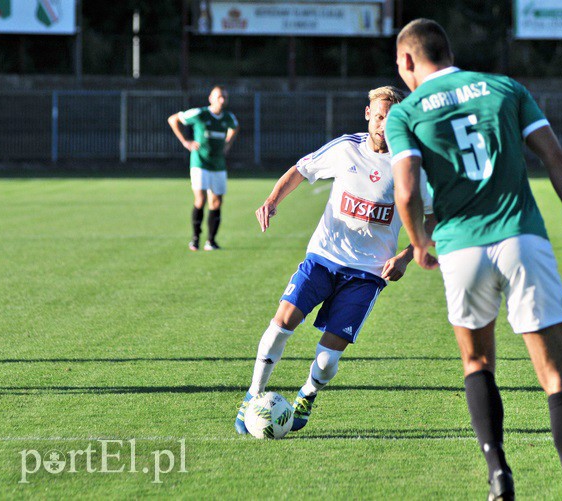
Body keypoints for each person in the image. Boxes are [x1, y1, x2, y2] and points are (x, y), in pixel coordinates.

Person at [386, 19, 562, 501]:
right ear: (448, 50)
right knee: (555, 374)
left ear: (407, 60)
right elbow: (556, 158)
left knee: (477, 361)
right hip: (521, 238)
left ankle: (499, 475)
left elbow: (405, 190)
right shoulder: (505, 88)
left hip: (461, 247)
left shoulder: (404, 113)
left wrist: (419, 241)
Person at [234, 86, 435, 434]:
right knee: (281, 323)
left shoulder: (412, 165)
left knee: (327, 362)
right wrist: (272, 199)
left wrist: (406, 256)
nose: (384, 124)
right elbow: (301, 169)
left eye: (393, 118)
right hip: (323, 257)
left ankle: (307, 394)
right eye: (380, 115)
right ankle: (253, 395)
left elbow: (435, 215)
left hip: (367, 274)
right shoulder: (346, 148)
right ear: (368, 114)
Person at [168, 85, 239, 251]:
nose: (222, 100)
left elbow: (235, 127)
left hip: (218, 165)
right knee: (201, 199)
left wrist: (228, 144)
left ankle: (211, 241)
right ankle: (195, 238)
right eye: (219, 97)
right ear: (211, 98)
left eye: (225, 97)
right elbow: (173, 119)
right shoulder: (200, 114)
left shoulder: (228, 117)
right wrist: (185, 141)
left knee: (217, 201)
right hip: (200, 163)